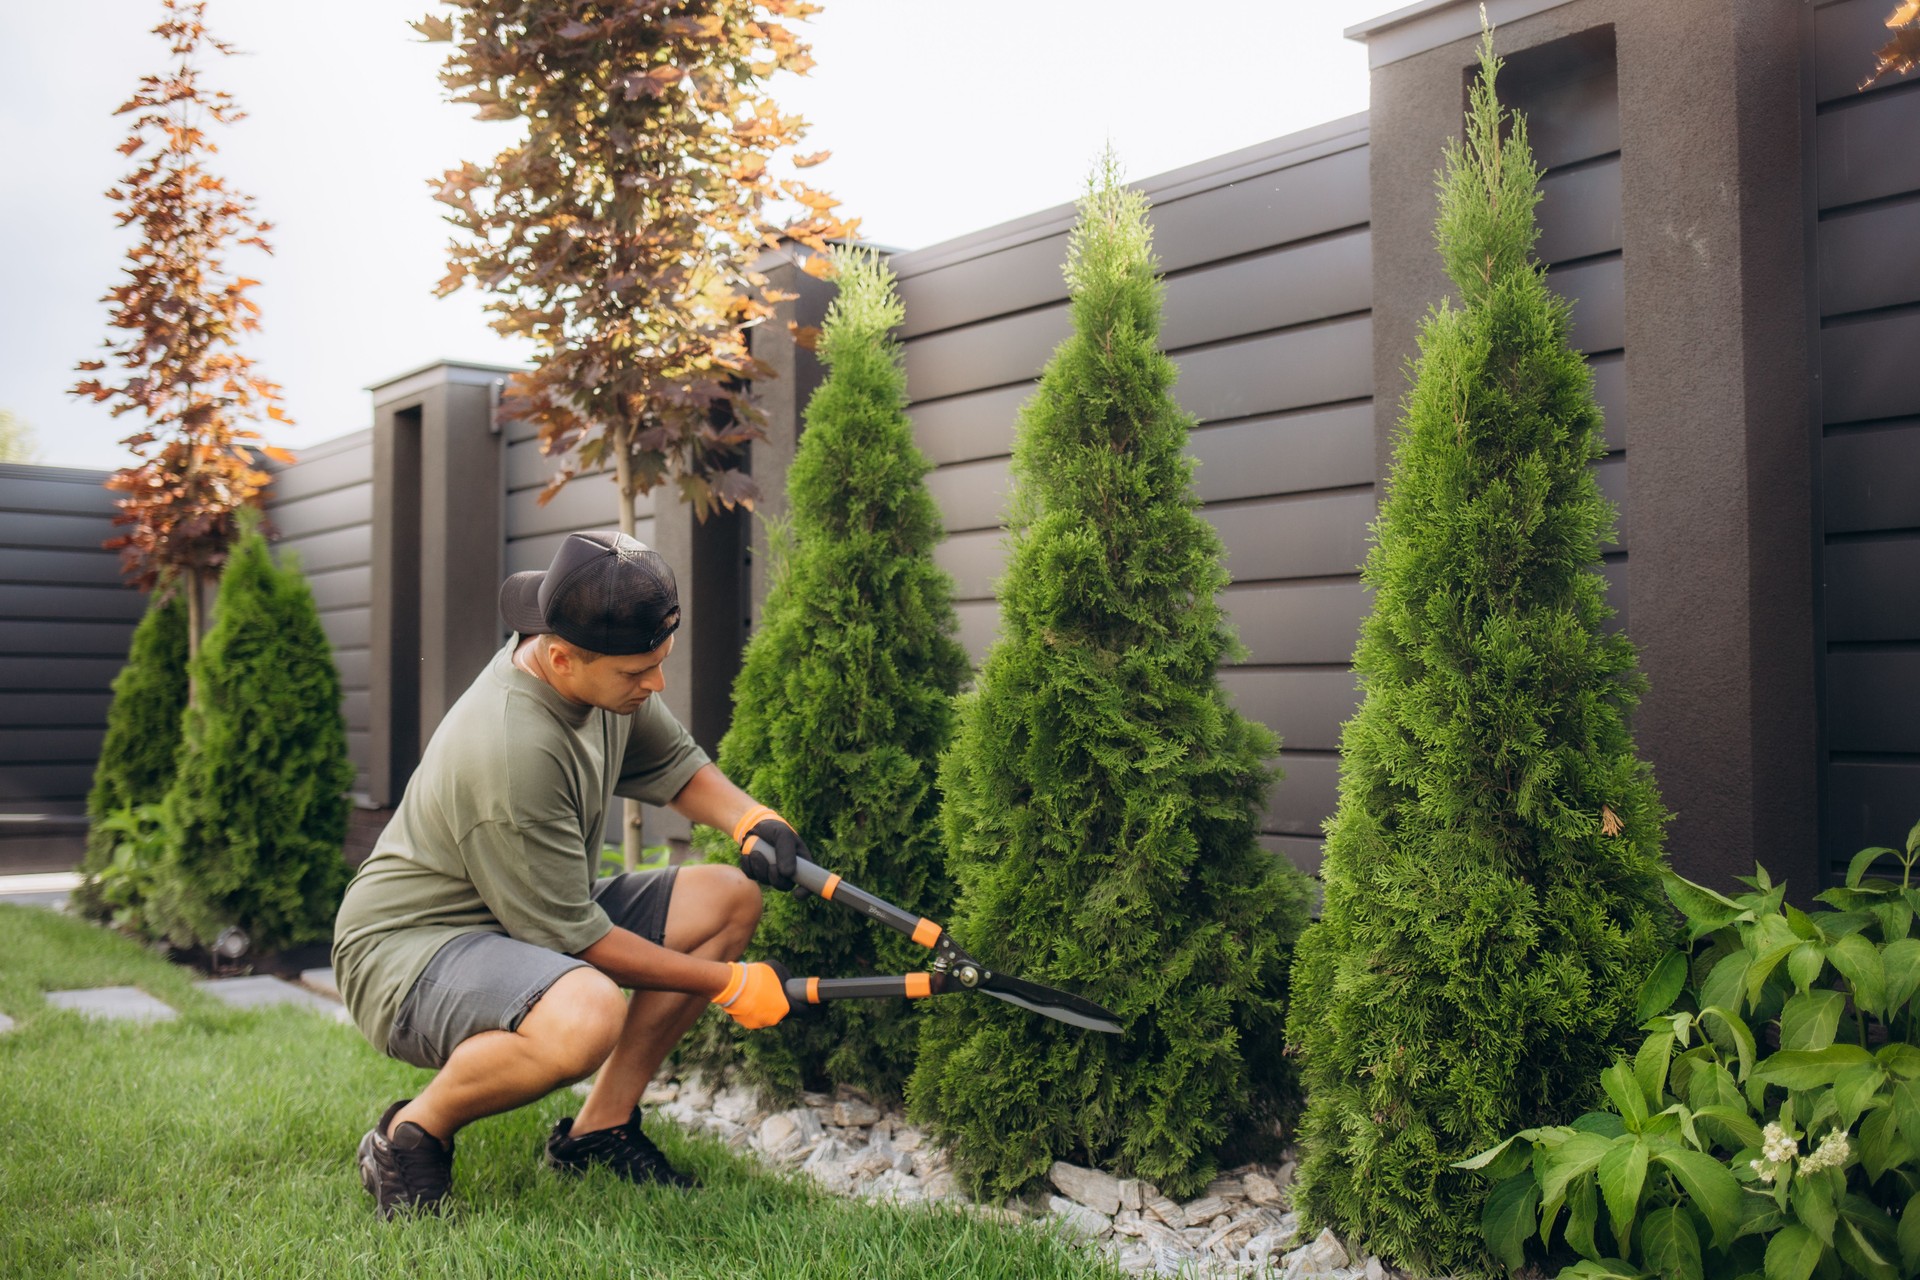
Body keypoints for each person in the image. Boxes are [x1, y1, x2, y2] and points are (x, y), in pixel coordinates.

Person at [331, 530, 809, 1219]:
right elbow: (578, 940)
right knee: (586, 1017)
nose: (656, 685)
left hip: (520, 917)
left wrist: (749, 818)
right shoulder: (509, 748)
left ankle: (599, 1132)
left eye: (660, 662)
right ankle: (408, 1137)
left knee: (728, 898)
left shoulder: (598, 661)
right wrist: (730, 984)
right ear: (560, 657)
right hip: (408, 951)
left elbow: (675, 763)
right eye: (637, 674)